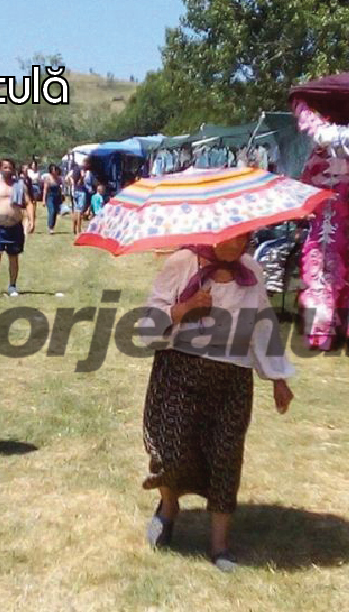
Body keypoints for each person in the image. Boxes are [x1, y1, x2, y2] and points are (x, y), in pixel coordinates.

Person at [139, 233, 295, 572]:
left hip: (231, 379)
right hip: (179, 369)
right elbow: (148, 323)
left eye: (245, 237)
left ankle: (219, 546)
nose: (238, 245)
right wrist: (184, 309)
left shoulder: (251, 271)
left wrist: (278, 378)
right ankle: (168, 508)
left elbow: (262, 326)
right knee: (170, 452)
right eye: (231, 238)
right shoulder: (182, 262)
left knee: (225, 456)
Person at [0, 158, 35, 298]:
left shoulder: (20, 186)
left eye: (10, 167)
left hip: (15, 226)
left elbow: (28, 203)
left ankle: (12, 286)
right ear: (0, 168)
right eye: (5, 167)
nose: (7, 170)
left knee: (13, 257)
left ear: (14, 169)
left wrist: (31, 220)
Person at [42, 164, 64, 234]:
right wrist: (43, 200)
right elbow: (45, 189)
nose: (56, 171)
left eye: (56, 169)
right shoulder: (48, 178)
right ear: (51, 170)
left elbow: (60, 189)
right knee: (52, 210)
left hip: (57, 196)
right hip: (50, 196)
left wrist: (61, 197)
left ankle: (52, 226)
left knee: (55, 212)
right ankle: (50, 227)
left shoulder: (59, 179)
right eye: (54, 170)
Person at [70, 167, 88, 235]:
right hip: (81, 191)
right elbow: (83, 175)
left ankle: (74, 228)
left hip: (74, 191)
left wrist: (72, 181)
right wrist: (81, 178)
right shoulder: (81, 169)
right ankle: (79, 229)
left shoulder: (73, 170)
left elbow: (68, 177)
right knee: (80, 211)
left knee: (75, 210)